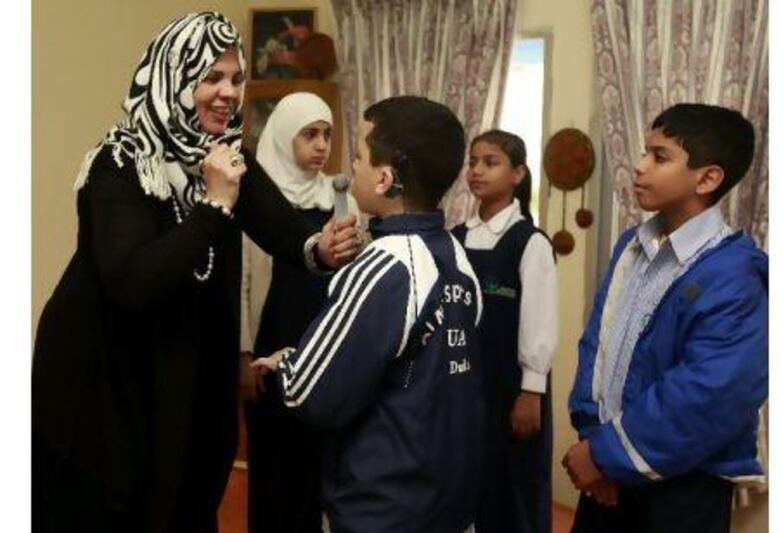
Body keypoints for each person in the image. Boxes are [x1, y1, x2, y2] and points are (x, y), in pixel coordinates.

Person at [31, 12, 359, 533]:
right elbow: (132, 282)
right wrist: (212, 206)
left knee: (186, 499)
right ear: (174, 79)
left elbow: (284, 230)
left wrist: (321, 247)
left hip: (181, 369)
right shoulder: (120, 163)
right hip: (105, 384)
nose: (228, 92)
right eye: (210, 78)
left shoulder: (226, 157)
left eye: (234, 78)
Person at [252, 96, 486, 533]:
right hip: (445, 500)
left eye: (358, 156)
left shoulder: (386, 264)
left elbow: (310, 394)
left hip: (383, 505)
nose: (350, 167)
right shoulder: (457, 254)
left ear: (384, 178)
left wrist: (287, 363)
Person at [563, 103, 768, 533]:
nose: (639, 167)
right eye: (644, 152)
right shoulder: (631, 247)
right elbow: (599, 344)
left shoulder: (735, 274)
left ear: (708, 178)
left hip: (681, 489)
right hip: (607, 472)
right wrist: (590, 435)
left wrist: (604, 454)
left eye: (659, 157)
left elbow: (708, 394)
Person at [240, 91, 357, 533]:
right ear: (286, 134)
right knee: (274, 467)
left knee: (319, 467)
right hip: (270, 342)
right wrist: (244, 353)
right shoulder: (255, 196)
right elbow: (244, 282)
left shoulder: (340, 196)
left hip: (321, 349)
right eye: (310, 134)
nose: (322, 145)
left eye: (326, 134)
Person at [451, 130, 558, 533]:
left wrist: (532, 390)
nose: (477, 170)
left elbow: (540, 319)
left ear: (517, 174)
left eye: (490, 162)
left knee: (513, 488)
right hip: (464, 386)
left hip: (512, 390)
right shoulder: (455, 239)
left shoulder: (528, 242)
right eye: (473, 161)